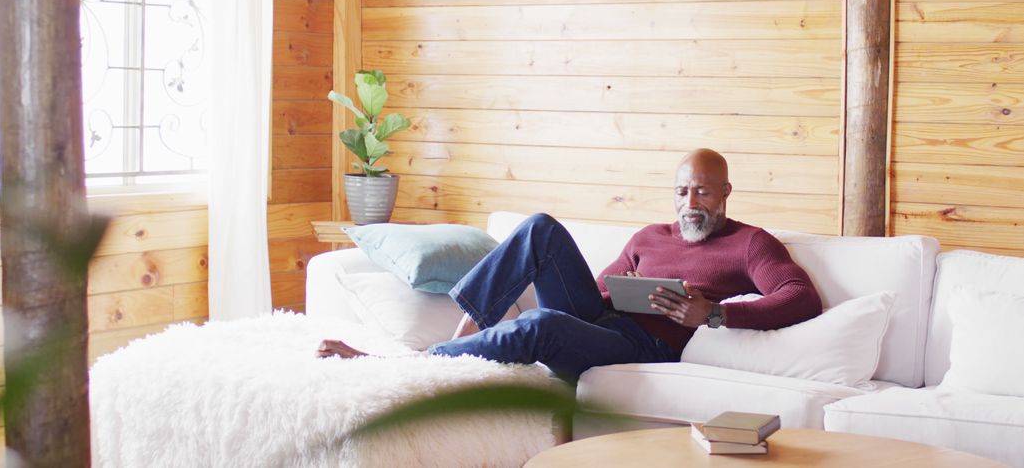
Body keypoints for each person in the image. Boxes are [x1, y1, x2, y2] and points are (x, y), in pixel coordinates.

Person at [318, 148, 822, 382]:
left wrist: (711, 314)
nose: (691, 201)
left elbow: (800, 298)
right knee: (540, 228)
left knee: (541, 323)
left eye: (703, 190)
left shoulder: (751, 243)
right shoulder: (649, 236)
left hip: (648, 348)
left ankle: (414, 364)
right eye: (682, 190)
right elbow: (599, 292)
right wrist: (620, 289)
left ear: (725, 193)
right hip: (605, 324)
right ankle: (463, 338)